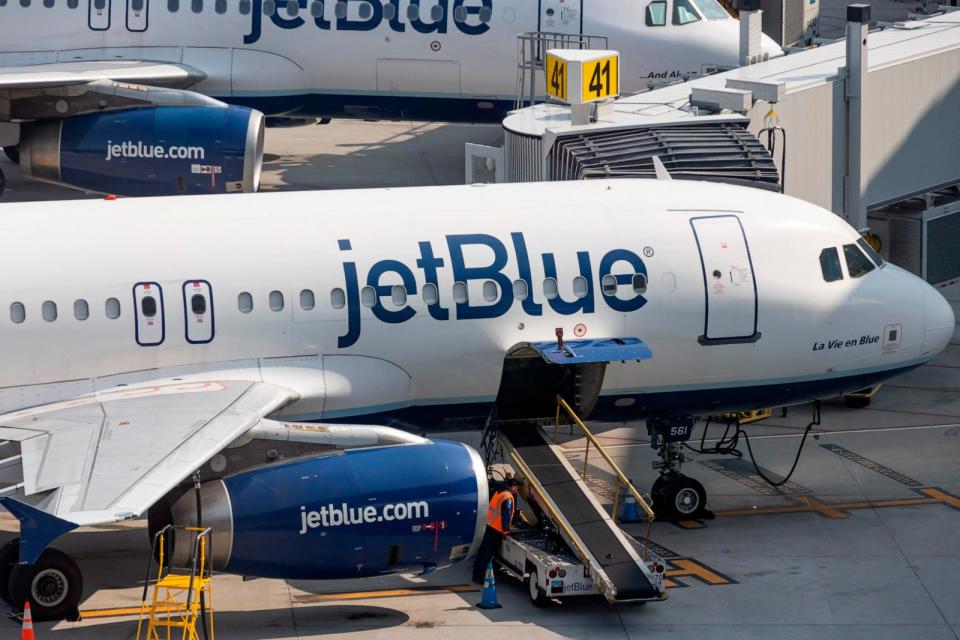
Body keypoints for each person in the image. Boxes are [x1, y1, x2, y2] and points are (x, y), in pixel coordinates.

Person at [472, 477, 519, 584]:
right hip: (496, 529)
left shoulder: (499, 492)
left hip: (488, 525)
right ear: (512, 487)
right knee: (488, 554)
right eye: (516, 488)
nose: (517, 490)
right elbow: (506, 515)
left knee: (482, 551)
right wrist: (506, 529)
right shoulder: (507, 497)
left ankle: (476, 574)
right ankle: (480, 577)